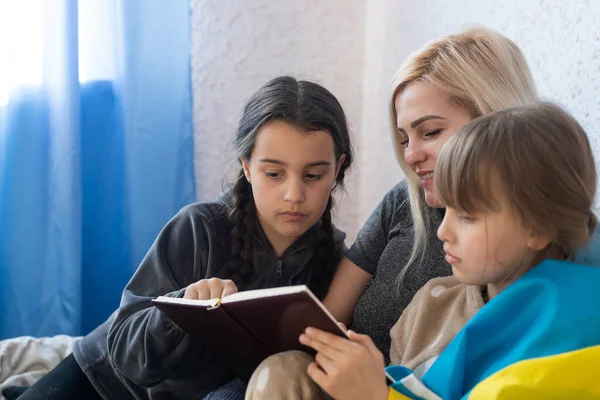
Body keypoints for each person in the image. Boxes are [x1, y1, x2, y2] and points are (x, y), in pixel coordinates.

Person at [203, 25, 542, 399]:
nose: (410, 156)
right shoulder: (403, 201)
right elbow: (325, 323)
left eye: (429, 132)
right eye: (403, 139)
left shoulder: (532, 244)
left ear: (496, 121)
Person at [9, 75, 353, 400]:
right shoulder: (199, 227)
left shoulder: (340, 265)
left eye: (313, 175)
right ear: (247, 167)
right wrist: (181, 306)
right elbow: (127, 354)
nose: (294, 194)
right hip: (105, 382)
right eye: (274, 173)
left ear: (336, 169)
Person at [249, 102, 600, 399]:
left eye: (468, 216)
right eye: (445, 209)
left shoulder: (571, 332)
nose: (444, 231)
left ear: (538, 227)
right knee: (283, 371)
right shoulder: (441, 301)